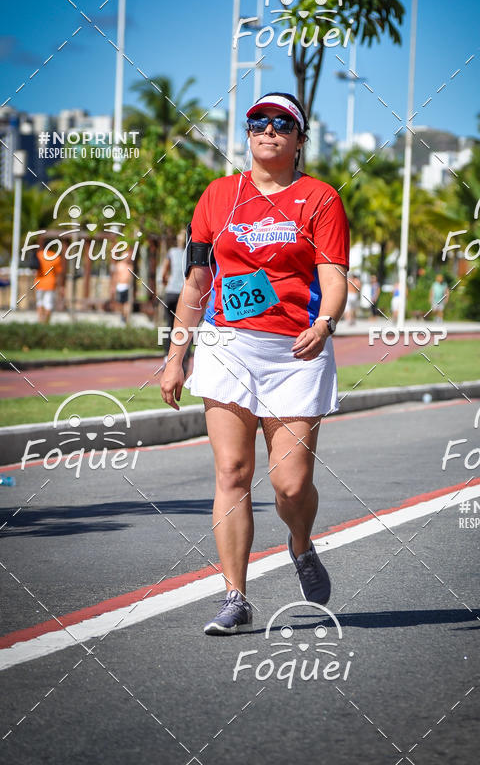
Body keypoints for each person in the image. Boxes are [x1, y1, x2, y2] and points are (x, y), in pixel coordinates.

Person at [159, 92, 349, 635]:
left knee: (290, 485)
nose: (269, 130)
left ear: (299, 138)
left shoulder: (320, 199)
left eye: (282, 123)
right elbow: (197, 282)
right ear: (247, 134)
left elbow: (333, 275)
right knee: (232, 473)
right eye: (258, 122)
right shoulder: (218, 196)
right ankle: (236, 596)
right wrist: (177, 355)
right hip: (226, 344)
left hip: (297, 350)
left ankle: (300, 542)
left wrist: (325, 322)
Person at [160, 230, 187, 366]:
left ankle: (166, 356)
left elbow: (163, 273)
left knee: (169, 326)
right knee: (185, 328)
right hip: (184, 294)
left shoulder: (171, 252)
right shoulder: (191, 254)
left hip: (171, 293)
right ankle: (183, 361)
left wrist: (167, 283)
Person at [34, 237, 64, 323]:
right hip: (51, 284)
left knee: (39, 302)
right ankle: (46, 322)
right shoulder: (56, 257)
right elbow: (59, 273)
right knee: (48, 304)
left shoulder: (39, 255)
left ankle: (40, 320)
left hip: (39, 282)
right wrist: (60, 286)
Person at [111, 249, 133, 324]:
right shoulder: (119, 265)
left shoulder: (130, 266)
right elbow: (115, 276)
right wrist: (113, 286)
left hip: (127, 287)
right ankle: (122, 316)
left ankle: (126, 319)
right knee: (120, 304)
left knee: (127, 304)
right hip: (120, 286)